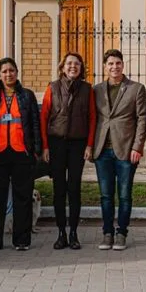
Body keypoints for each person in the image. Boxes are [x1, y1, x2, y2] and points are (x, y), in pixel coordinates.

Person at [92, 49, 146, 251]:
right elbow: (93, 118)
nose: (114, 67)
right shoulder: (97, 89)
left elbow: (142, 119)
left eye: (117, 63)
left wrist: (137, 147)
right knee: (106, 195)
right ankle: (107, 233)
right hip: (102, 151)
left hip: (126, 150)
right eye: (110, 64)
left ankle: (122, 233)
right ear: (105, 66)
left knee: (124, 195)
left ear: (123, 65)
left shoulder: (136, 89)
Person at [0, 57, 41, 251]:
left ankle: (21, 240)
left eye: (12, 70)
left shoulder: (27, 96)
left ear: (17, 72)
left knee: (22, 198)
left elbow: (35, 124)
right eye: (4, 71)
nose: (9, 74)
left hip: (21, 152)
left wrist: (36, 150)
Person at [41, 52, 96, 250]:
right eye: (69, 63)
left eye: (77, 64)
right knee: (59, 189)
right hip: (56, 144)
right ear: (63, 67)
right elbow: (44, 117)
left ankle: (73, 232)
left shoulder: (87, 89)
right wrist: (45, 146)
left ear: (81, 68)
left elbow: (92, 118)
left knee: (74, 188)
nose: (73, 67)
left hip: (77, 145)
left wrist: (89, 145)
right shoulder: (52, 88)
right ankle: (61, 232)